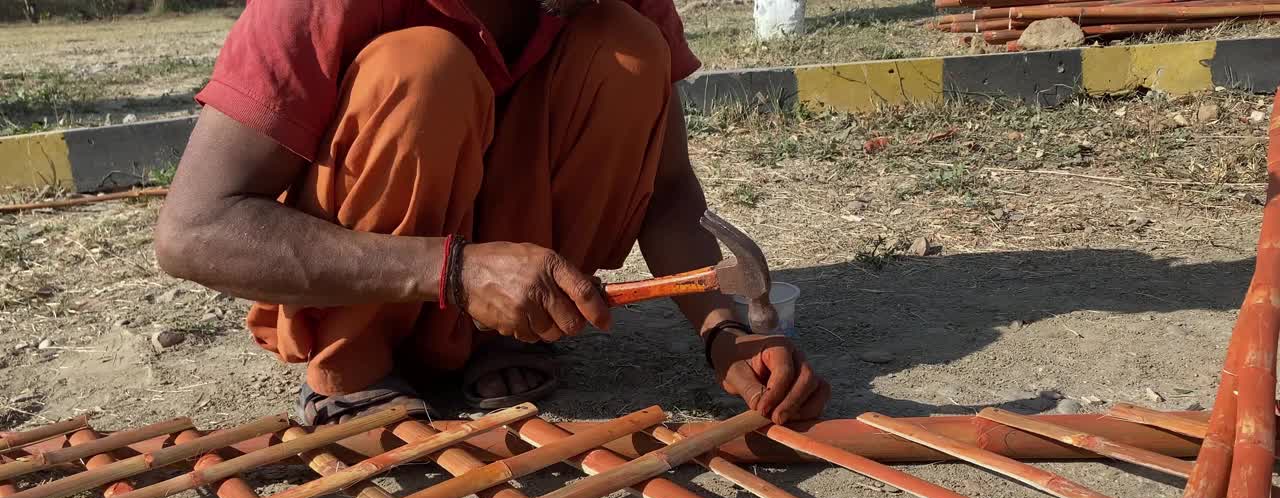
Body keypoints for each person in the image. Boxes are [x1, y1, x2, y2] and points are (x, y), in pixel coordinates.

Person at [154, 0, 830, 425]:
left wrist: (722, 329)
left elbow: (670, 189)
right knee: (421, 70)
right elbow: (193, 230)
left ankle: (514, 334)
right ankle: (353, 364)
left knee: (626, 50)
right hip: (360, 294)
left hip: (511, 305)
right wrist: (454, 272)